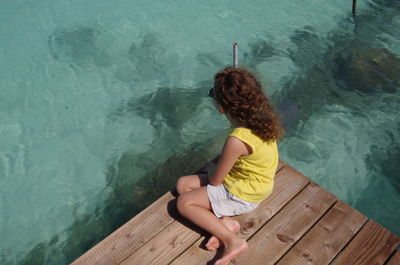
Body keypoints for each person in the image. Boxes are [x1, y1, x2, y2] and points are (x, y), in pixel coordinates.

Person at [175, 66, 282, 265]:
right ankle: (226, 223)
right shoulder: (262, 119)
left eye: (212, 94)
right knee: (183, 185)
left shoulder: (236, 140)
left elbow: (216, 180)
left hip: (243, 193)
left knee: (184, 203)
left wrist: (209, 168)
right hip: (254, 183)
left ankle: (231, 241)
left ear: (222, 107)